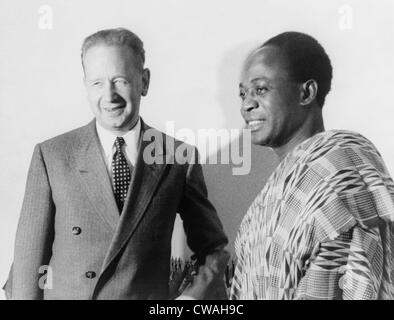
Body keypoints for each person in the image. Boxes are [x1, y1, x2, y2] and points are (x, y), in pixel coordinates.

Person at [3, 27, 228, 300]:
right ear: (85, 85)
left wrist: (188, 300)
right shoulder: (52, 156)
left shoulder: (178, 156)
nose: (109, 96)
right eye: (97, 83)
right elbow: (28, 264)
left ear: (144, 81)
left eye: (120, 80)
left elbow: (214, 250)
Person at [228, 31, 394, 300]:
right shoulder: (267, 200)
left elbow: (355, 283)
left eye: (261, 89)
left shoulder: (339, 168)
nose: (247, 104)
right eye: (242, 94)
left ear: (306, 92)